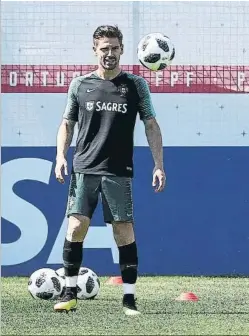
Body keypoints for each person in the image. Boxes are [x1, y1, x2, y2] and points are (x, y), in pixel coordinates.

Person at [53, 25, 166, 316]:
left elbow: (151, 124)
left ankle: (129, 300)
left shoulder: (136, 85)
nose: (110, 54)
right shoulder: (80, 84)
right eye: (104, 49)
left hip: (118, 170)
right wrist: (60, 156)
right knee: (76, 227)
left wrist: (158, 165)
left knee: (123, 232)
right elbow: (67, 123)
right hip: (84, 167)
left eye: (115, 48)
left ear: (123, 50)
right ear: (95, 50)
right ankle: (69, 293)